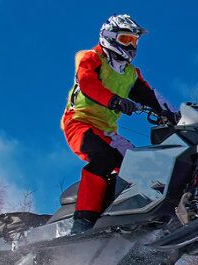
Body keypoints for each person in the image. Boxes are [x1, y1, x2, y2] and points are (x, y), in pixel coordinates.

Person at [62, 14, 175, 235]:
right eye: (125, 40)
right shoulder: (91, 58)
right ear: (108, 37)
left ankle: (122, 216)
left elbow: (153, 97)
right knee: (103, 158)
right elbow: (87, 84)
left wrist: (175, 116)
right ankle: (82, 221)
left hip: (107, 131)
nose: (131, 46)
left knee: (138, 165)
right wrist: (115, 100)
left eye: (134, 41)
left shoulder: (130, 74)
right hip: (79, 123)